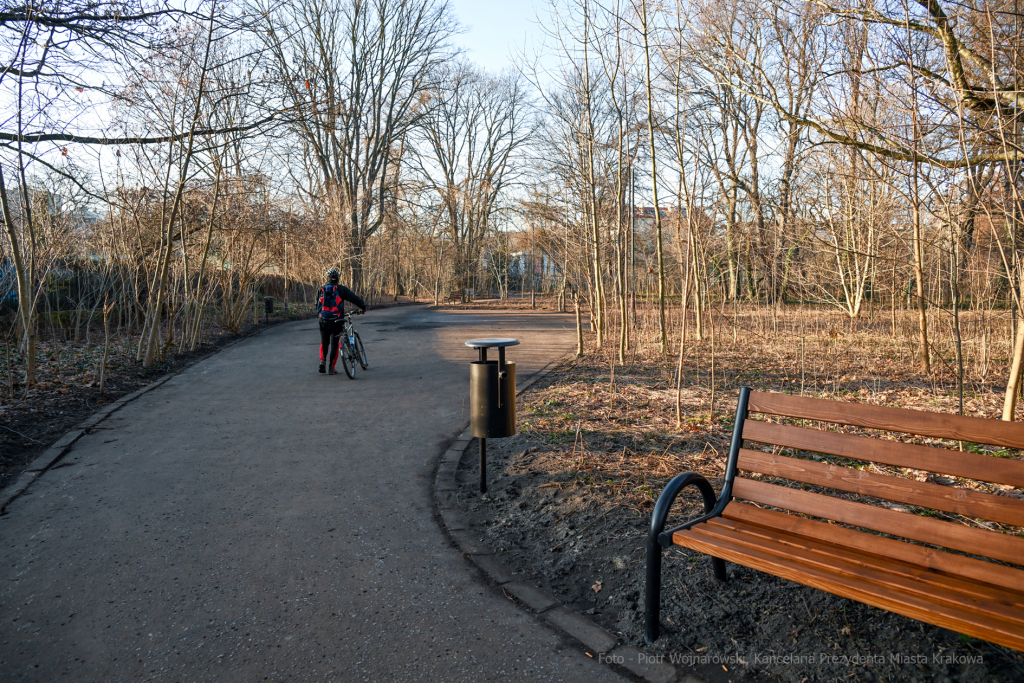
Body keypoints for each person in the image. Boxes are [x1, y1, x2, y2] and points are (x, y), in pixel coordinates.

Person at [317, 268, 367, 374]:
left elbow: (317, 306)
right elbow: (354, 298)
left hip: (323, 320)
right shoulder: (341, 289)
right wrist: (363, 307)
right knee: (335, 343)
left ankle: (322, 361)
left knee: (324, 342)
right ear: (338, 278)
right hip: (337, 320)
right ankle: (331, 368)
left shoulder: (321, 289)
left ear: (328, 278)